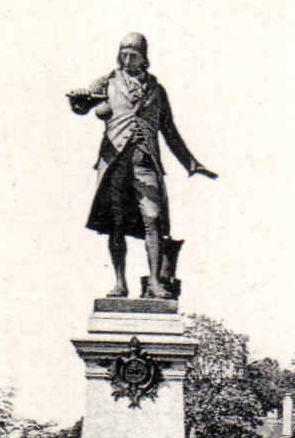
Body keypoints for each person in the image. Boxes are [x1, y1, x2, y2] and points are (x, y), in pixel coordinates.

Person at [67, 32, 217, 300]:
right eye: (123, 53)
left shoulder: (157, 90)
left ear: (144, 58)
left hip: (145, 160)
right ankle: (119, 283)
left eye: (133, 54)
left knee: (154, 218)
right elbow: (82, 105)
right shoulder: (107, 82)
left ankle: (156, 283)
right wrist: (77, 98)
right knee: (115, 223)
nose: (127, 59)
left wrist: (192, 164)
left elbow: (169, 130)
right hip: (114, 161)